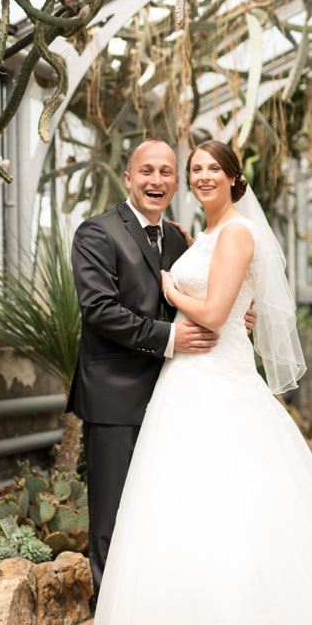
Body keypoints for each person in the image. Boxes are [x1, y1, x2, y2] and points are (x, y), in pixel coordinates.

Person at [89, 140, 312, 625]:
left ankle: (239, 624)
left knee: (233, 497)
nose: (198, 176)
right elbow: (213, 302)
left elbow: (214, 311)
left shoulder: (231, 232)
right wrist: (212, 309)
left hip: (216, 376)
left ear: (236, 178)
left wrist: (179, 293)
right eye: (193, 170)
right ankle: (173, 617)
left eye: (210, 168)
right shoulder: (194, 234)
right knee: (178, 502)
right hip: (180, 379)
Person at [67, 138, 256, 594]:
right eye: (147, 171)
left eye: (167, 172)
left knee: (164, 509)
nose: (157, 180)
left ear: (176, 182)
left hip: (176, 393)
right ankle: (110, 615)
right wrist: (170, 337)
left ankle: (151, 611)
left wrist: (236, 314)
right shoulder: (96, 232)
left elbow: (203, 295)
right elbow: (99, 310)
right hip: (115, 396)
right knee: (113, 513)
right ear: (128, 178)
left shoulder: (178, 237)